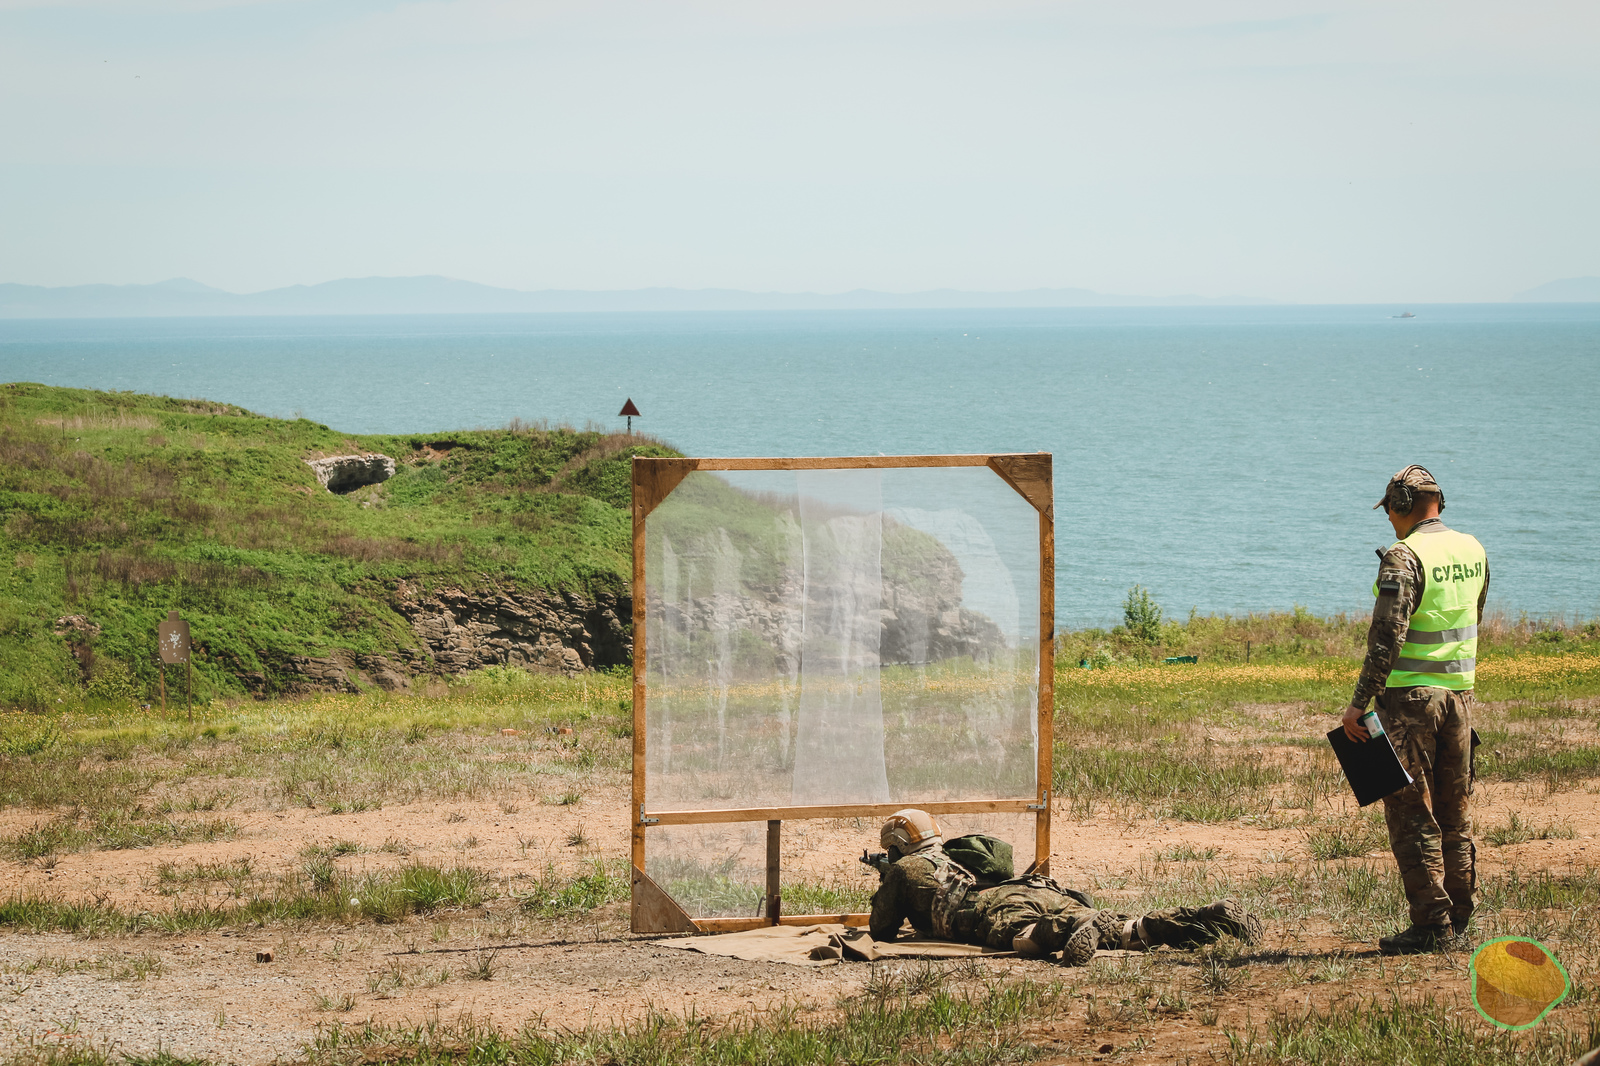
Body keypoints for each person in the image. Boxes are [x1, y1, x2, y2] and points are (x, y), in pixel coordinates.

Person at [1340, 465, 1488, 955]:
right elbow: (1475, 616)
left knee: (1410, 814)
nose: (1390, 521)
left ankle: (1431, 925)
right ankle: (1460, 917)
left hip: (1408, 703)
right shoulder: (1473, 548)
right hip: (1461, 697)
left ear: (1401, 505)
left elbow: (1387, 638)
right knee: (1456, 811)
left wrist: (1358, 706)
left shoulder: (1405, 557)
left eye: (1390, 511)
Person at [867, 809, 1262, 965]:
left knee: (1020, 936)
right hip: (1033, 887)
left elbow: (881, 930)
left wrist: (888, 880)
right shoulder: (958, 853)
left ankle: (1074, 929)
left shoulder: (906, 871)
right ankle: (1204, 918)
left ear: (898, 849)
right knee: (1126, 930)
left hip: (993, 908)